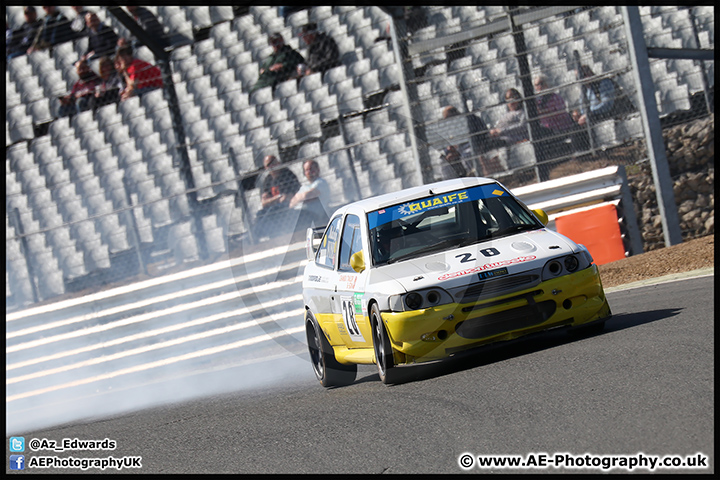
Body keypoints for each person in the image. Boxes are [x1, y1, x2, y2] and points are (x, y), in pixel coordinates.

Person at [254, 155, 301, 239]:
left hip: (288, 206)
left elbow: (287, 197)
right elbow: (264, 203)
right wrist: (278, 197)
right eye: (269, 165)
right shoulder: (268, 180)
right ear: (266, 168)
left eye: (273, 162)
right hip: (275, 207)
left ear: (278, 163)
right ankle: (257, 234)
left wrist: (272, 200)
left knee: (272, 210)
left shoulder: (287, 174)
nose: (271, 166)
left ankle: (254, 235)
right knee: (260, 213)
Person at [289, 159, 331, 230]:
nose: (309, 172)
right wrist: (303, 198)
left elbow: (307, 195)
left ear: (318, 170)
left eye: (311, 169)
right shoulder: (304, 187)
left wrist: (299, 198)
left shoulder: (321, 183)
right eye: (306, 170)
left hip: (316, 215)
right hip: (302, 213)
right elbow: (291, 203)